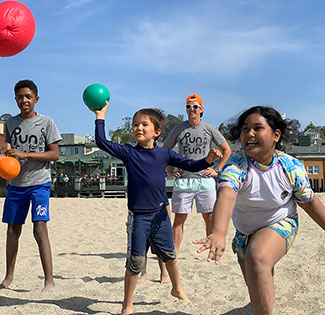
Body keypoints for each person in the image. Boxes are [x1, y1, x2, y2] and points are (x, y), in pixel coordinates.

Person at [90, 103, 222, 315]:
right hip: (138, 217)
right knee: (135, 262)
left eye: (144, 124)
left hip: (160, 215)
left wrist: (208, 161)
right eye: (135, 125)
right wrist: (100, 116)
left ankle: (177, 289)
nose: (138, 128)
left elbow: (191, 165)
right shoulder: (128, 152)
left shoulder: (165, 154)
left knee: (169, 255)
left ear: (157, 132)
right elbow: (101, 142)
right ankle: (127, 304)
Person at [194, 106, 325, 315]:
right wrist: (218, 232)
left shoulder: (290, 167)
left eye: (257, 128)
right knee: (257, 282)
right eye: (245, 129)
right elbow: (227, 194)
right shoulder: (236, 166)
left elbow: (309, 203)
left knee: (258, 259)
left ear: (275, 135)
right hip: (244, 233)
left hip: (281, 222)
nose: (250, 134)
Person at [1, 79, 62, 292]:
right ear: (15, 100)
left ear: (36, 99)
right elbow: (8, 150)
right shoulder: (10, 123)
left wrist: (25, 154)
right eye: (19, 97)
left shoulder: (46, 122)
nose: (24, 100)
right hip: (16, 186)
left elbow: (55, 154)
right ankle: (8, 277)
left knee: (40, 228)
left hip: (39, 184)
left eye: (28, 96)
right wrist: (6, 156)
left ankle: (49, 281)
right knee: (12, 231)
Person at [164, 93, 231, 254]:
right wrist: (169, 170)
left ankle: (212, 250)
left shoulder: (209, 129)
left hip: (204, 179)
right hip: (184, 180)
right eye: (188, 106)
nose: (191, 109)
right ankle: (175, 253)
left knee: (209, 217)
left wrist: (217, 169)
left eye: (195, 106)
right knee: (179, 219)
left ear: (201, 110)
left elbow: (226, 150)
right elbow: (165, 150)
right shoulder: (178, 129)